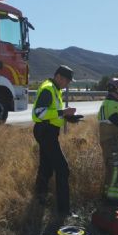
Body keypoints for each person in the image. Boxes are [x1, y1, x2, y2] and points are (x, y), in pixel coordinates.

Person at [32, 65, 77, 217]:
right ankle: (64, 210)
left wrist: (68, 117)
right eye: (67, 81)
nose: (68, 84)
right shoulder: (48, 88)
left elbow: (51, 114)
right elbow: (40, 113)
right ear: (59, 77)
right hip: (46, 131)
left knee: (46, 166)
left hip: (48, 131)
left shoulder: (55, 89)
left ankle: (39, 199)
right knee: (63, 168)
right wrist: (63, 112)